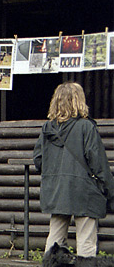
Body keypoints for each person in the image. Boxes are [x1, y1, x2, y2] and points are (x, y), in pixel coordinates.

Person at [33, 82, 114, 257]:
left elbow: (38, 160)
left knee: (55, 238)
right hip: (84, 191)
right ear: (79, 100)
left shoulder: (47, 128)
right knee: (86, 240)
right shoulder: (86, 127)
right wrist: (110, 191)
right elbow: (98, 164)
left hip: (56, 191)